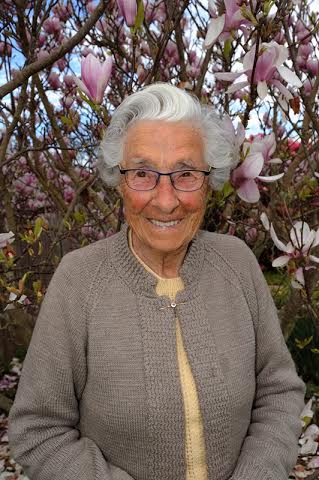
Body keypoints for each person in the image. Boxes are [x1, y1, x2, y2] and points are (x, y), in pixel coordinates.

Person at [8, 83, 305, 480]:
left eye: (185, 173)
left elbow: (278, 391)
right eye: (143, 173)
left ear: (209, 179)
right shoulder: (79, 282)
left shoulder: (237, 263)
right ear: (119, 180)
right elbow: (38, 430)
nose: (166, 200)